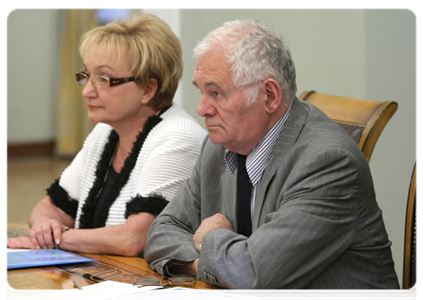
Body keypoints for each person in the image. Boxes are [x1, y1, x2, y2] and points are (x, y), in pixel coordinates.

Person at [144, 19, 402, 299]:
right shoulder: (218, 146)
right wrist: (211, 265)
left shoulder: (329, 162)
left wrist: (210, 238)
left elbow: (255, 274)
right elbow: (161, 232)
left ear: (270, 96)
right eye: (201, 91)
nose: (202, 108)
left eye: (216, 93)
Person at [5, 14, 206, 256]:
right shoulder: (106, 131)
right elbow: (50, 207)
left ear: (148, 89)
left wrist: (57, 239)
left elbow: (135, 239)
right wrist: (45, 227)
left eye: (103, 79)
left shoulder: (178, 137)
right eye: (87, 76)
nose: (87, 92)